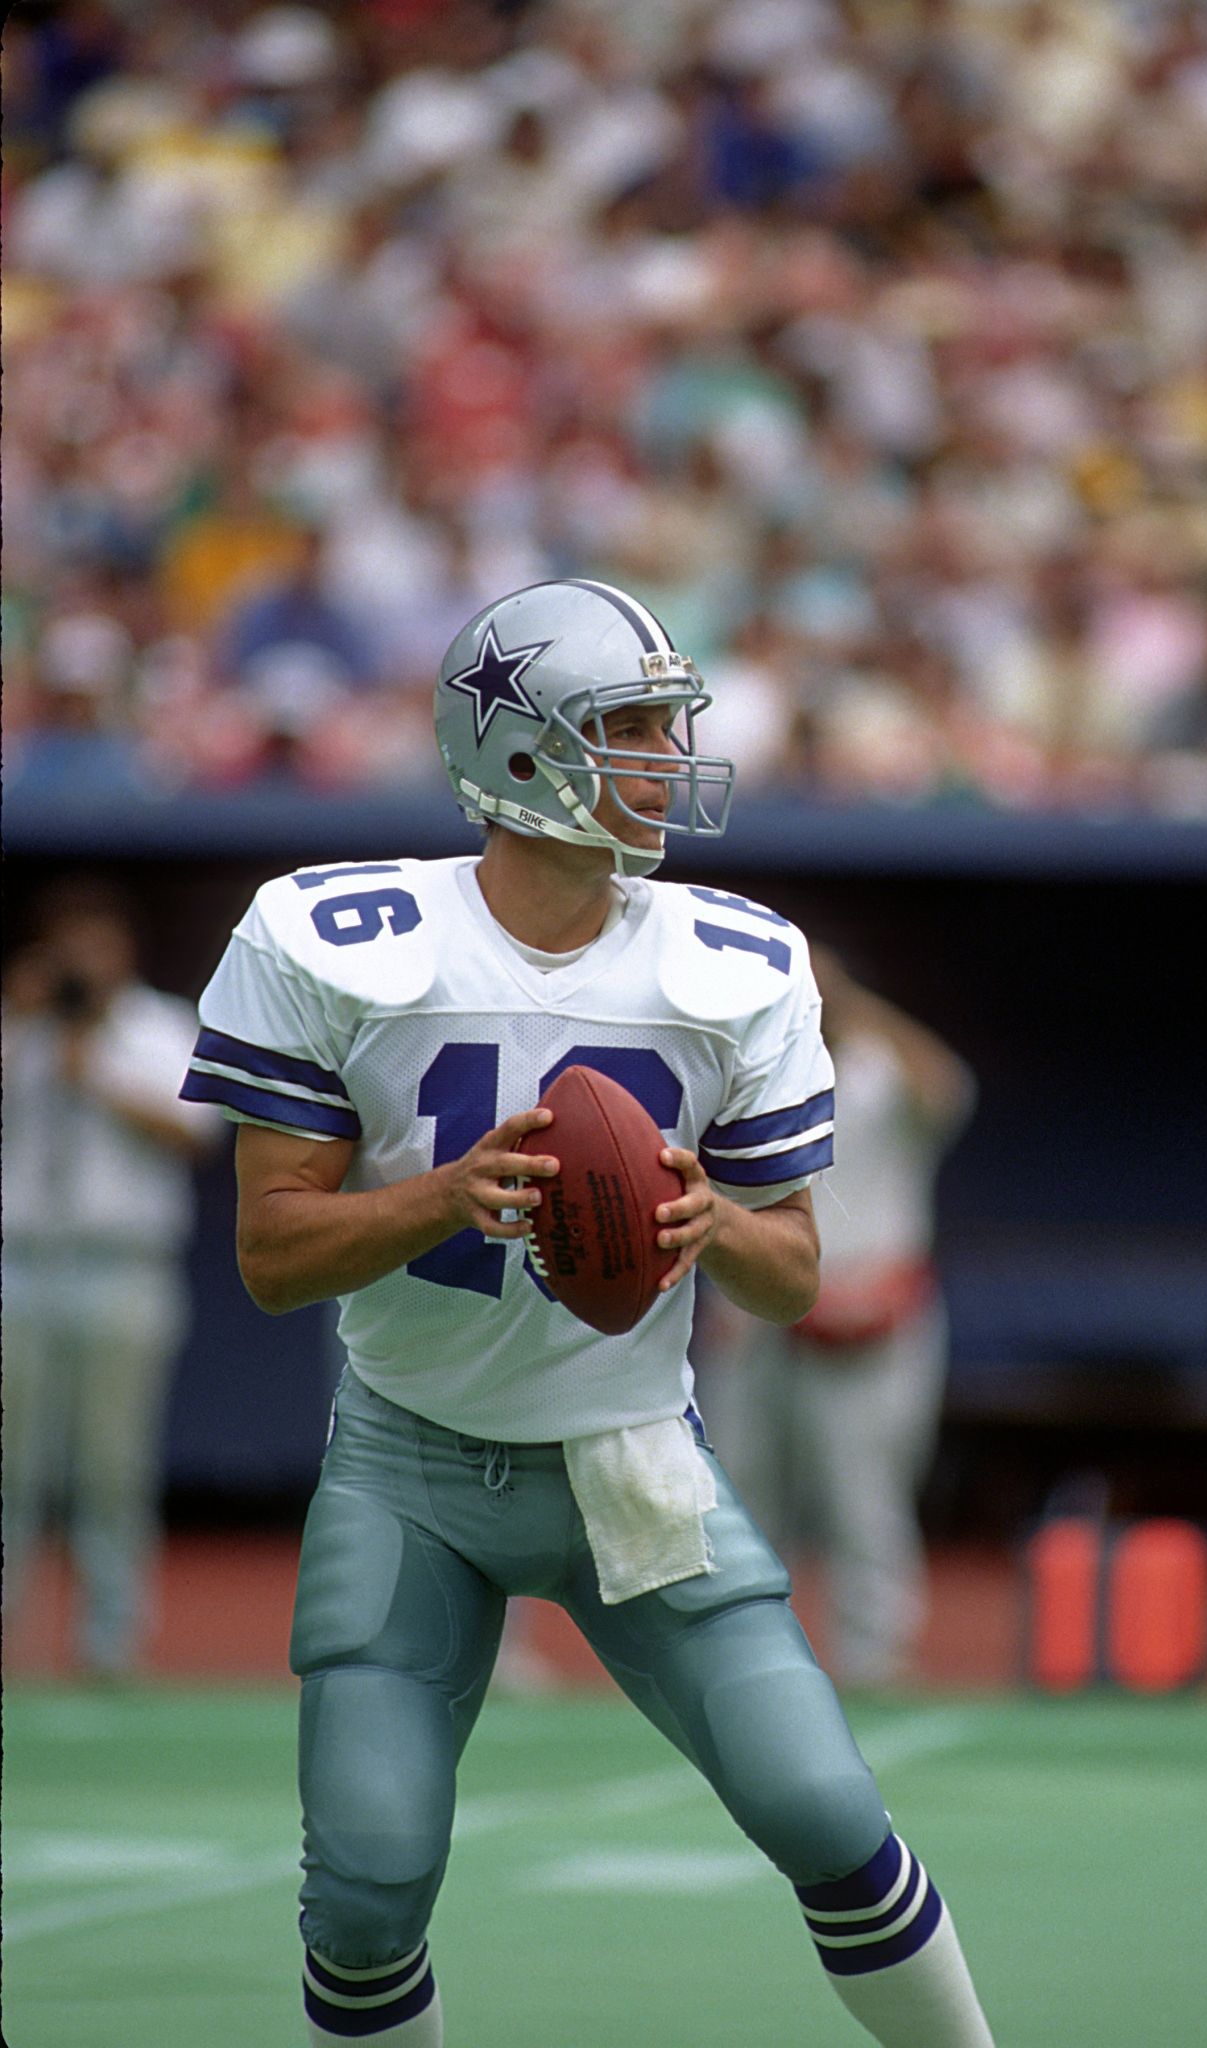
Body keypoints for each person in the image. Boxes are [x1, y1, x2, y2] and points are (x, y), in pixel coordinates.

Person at [181, 579, 995, 2048]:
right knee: (365, 1889)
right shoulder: (336, 938)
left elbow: (793, 1268)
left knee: (825, 1808)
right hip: (408, 1465)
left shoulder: (730, 962)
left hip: (628, 1457)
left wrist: (710, 1224)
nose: (661, 759)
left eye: (661, 726)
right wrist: (443, 1195)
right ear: (509, 749)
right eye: (624, 726)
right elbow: (273, 1255)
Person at [700, 948, 977, 1687]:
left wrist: (852, 999)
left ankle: (874, 1658)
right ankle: (744, 1655)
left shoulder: (881, 1068)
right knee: (740, 1490)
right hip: (760, 1303)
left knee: (865, 1496)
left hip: (866, 1312)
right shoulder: (752, 1067)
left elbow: (949, 1091)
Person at [2, 876, 219, 1676]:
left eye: (97, 946)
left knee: (111, 1465)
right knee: (10, 1466)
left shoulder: (157, 1027)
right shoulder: (17, 1027)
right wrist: (27, 1024)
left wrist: (86, 1064)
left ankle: (110, 1643)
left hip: (121, 1266)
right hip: (19, 1262)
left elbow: (194, 1132)